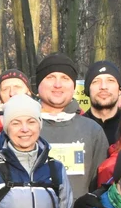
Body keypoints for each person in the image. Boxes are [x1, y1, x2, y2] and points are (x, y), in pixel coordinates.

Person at [35, 53, 110, 198]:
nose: (58, 84)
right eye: (50, 77)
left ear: (74, 86)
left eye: (65, 78)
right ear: (38, 84)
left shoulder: (92, 130)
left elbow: (102, 186)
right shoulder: (23, 129)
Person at [84, 60, 121, 145]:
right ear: (88, 90)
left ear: (120, 90)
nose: (103, 87)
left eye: (110, 80)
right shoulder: (77, 126)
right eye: (96, 81)